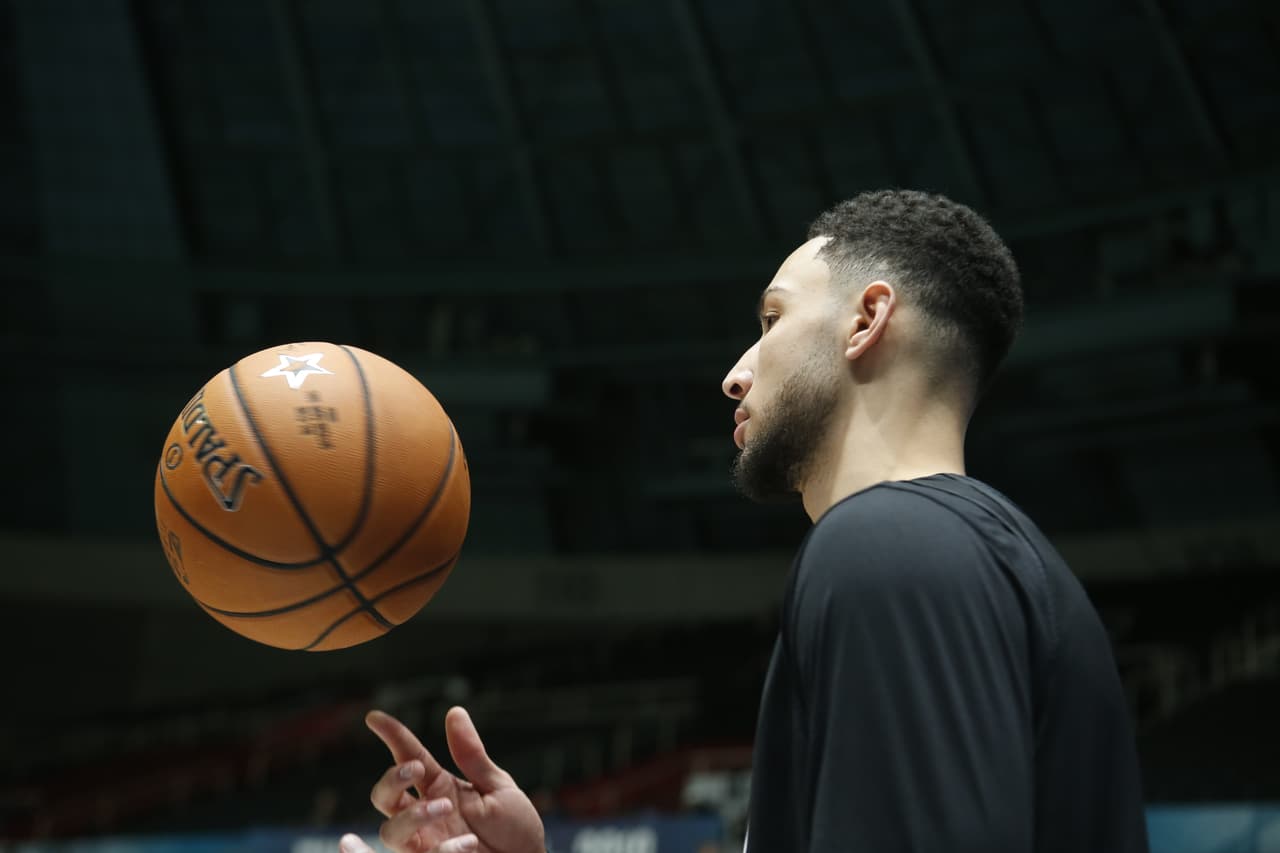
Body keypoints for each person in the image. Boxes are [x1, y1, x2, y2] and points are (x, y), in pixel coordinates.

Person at [338, 190, 1150, 853]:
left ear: (867, 318)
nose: (735, 375)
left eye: (770, 320)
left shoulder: (884, 547)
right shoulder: (991, 557)